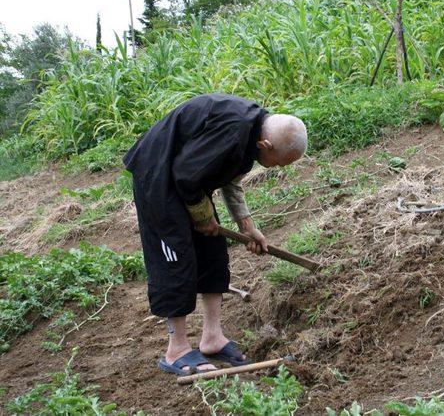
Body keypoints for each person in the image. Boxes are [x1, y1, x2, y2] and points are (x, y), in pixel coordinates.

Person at [123, 94, 307, 375]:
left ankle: (212, 338)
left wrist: (248, 227)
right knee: (176, 258)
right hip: (158, 176)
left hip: (188, 181)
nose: (275, 167)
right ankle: (177, 350)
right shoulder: (234, 132)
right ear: (265, 145)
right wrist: (202, 215)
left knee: (213, 252)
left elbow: (230, 182)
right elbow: (185, 174)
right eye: (278, 162)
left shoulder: (253, 130)